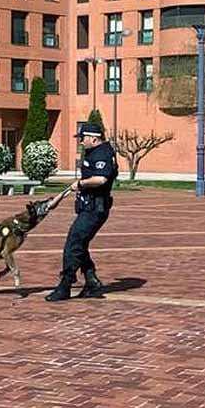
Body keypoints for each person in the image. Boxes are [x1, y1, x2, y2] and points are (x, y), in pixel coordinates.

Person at [45, 123, 118, 301]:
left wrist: (80, 184)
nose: (81, 142)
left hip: (95, 209)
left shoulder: (103, 153)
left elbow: (101, 179)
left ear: (94, 138)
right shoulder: (95, 152)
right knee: (80, 243)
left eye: (83, 139)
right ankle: (91, 281)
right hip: (88, 206)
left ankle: (65, 285)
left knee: (74, 243)